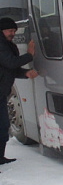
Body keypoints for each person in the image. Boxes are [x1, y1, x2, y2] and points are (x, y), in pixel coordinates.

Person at [0, 17, 38, 165]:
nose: (13, 33)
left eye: (14, 31)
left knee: (3, 127)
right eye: (10, 30)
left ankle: (0, 157)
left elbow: (9, 69)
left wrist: (25, 73)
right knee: (2, 126)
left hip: (2, 93)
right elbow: (10, 62)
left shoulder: (7, 45)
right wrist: (29, 54)